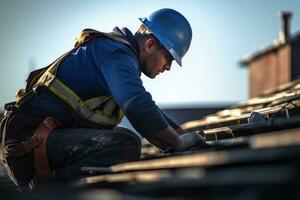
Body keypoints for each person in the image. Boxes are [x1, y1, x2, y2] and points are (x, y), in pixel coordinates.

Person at [0, 8, 205, 189]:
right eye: (169, 58)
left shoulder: (118, 55)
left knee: (124, 138)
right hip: (29, 142)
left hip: (41, 139)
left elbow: (148, 107)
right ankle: (51, 192)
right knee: (125, 144)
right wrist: (176, 142)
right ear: (150, 44)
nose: (168, 67)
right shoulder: (116, 54)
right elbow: (137, 105)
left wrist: (183, 136)